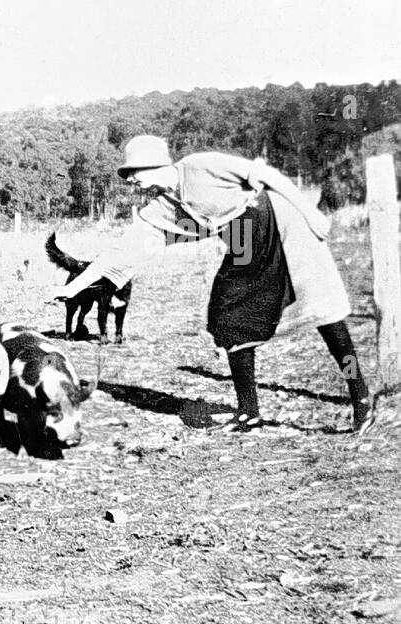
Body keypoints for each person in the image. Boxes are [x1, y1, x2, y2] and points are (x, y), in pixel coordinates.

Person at [52, 135, 375, 434]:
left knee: (323, 310)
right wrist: (75, 286)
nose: (131, 180)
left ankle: (360, 397)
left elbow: (265, 176)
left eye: (134, 171)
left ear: (155, 164)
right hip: (243, 240)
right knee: (226, 318)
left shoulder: (200, 165)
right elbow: (121, 251)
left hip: (279, 220)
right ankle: (249, 411)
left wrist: (311, 213)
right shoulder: (163, 208)